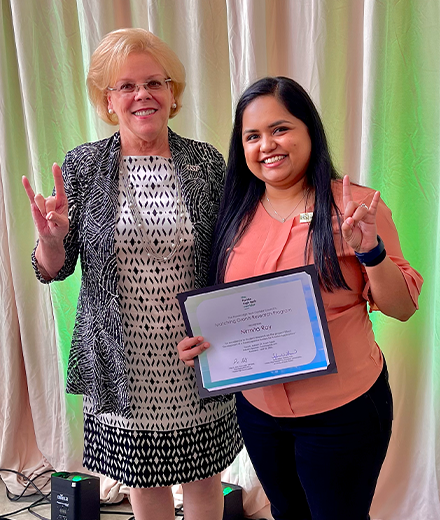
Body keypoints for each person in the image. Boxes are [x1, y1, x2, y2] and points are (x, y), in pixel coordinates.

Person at [178, 76, 423, 520]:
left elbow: (402, 308)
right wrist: (206, 342)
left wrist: (370, 250)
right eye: (252, 136)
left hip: (343, 411)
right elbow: (228, 306)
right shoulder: (234, 215)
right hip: (258, 413)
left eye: (280, 129)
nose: (267, 145)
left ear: (309, 130)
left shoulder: (356, 208)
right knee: (286, 514)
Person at [22, 28, 242, 520]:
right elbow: (53, 269)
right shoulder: (83, 165)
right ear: (108, 100)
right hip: (122, 359)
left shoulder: (205, 162)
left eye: (155, 83)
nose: (142, 94)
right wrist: (52, 241)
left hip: (198, 351)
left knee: (204, 480)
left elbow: (230, 255)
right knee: (144, 482)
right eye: (126, 85)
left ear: (172, 93)